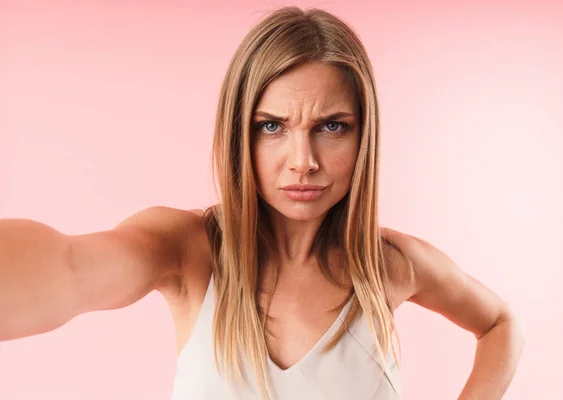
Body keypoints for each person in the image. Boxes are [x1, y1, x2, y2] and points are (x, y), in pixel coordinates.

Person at [0, 6, 524, 400]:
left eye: (332, 127)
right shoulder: (186, 252)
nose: (304, 161)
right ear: (238, 135)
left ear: (364, 137)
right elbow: (68, 265)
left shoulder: (390, 265)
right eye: (271, 127)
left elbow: (501, 323)